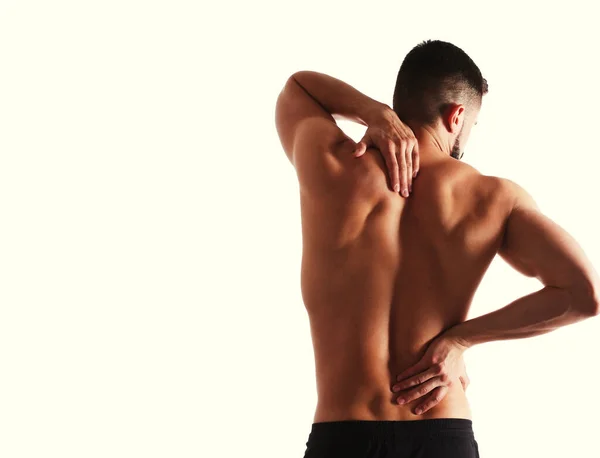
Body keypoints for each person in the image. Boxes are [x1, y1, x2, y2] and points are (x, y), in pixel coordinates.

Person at [274, 39, 600, 458]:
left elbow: (297, 88)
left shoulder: (331, 162)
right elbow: (583, 294)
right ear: (457, 115)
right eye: (473, 125)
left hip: (341, 434)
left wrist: (375, 114)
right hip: (440, 432)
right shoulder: (491, 197)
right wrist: (461, 341)